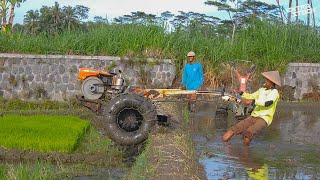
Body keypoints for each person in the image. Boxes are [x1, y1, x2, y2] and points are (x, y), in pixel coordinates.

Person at [222, 71, 281, 146]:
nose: (265, 81)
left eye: (267, 80)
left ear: (271, 82)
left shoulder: (274, 92)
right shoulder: (261, 90)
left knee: (248, 133)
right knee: (233, 129)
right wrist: (241, 93)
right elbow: (251, 96)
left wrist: (253, 102)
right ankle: (221, 148)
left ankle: (245, 153)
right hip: (254, 115)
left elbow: (267, 103)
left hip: (264, 118)